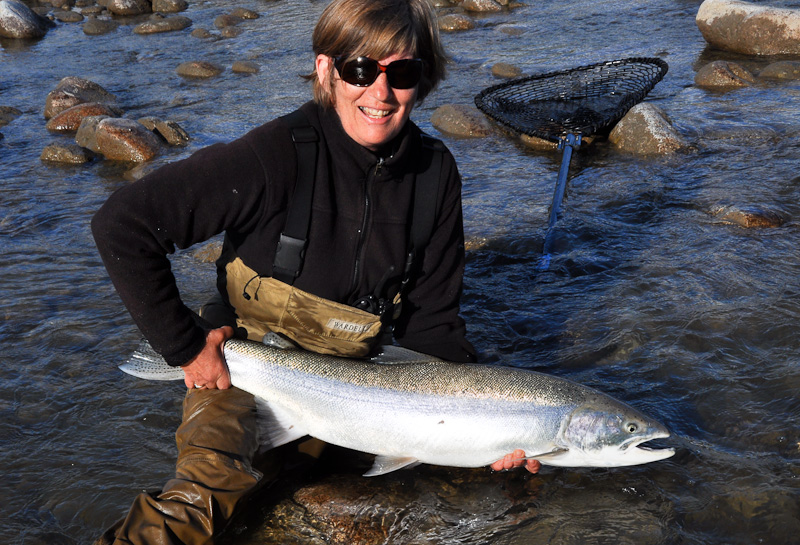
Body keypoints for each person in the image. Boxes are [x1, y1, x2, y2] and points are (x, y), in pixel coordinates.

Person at [91, 0, 538, 542]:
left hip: (361, 386)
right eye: (360, 69)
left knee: (445, 504)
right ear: (327, 71)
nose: (380, 92)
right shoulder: (276, 155)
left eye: (402, 72)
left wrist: (491, 434)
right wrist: (185, 346)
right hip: (245, 367)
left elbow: (433, 327)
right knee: (206, 497)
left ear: (423, 80)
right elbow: (123, 224)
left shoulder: (434, 173)